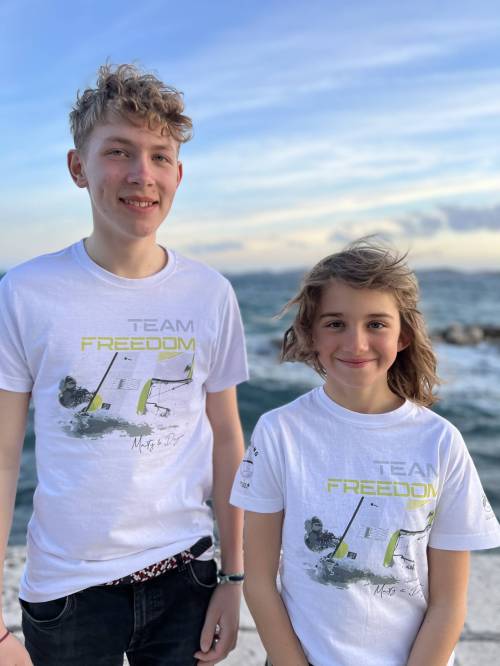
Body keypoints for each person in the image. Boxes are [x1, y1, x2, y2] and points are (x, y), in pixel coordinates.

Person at [0, 63, 248, 666]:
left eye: (160, 156)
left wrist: (233, 578)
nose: (142, 175)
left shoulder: (210, 294)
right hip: (67, 591)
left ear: (178, 174)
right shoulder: (26, 292)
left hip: (186, 577)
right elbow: (4, 454)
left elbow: (227, 440)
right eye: (118, 151)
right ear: (77, 167)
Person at [230, 238, 500, 666]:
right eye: (336, 323)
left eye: (376, 324)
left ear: (403, 335)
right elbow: (260, 582)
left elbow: (448, 602)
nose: (356, 343)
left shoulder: (440, 441)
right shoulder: (279, 431)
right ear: (310, 332)